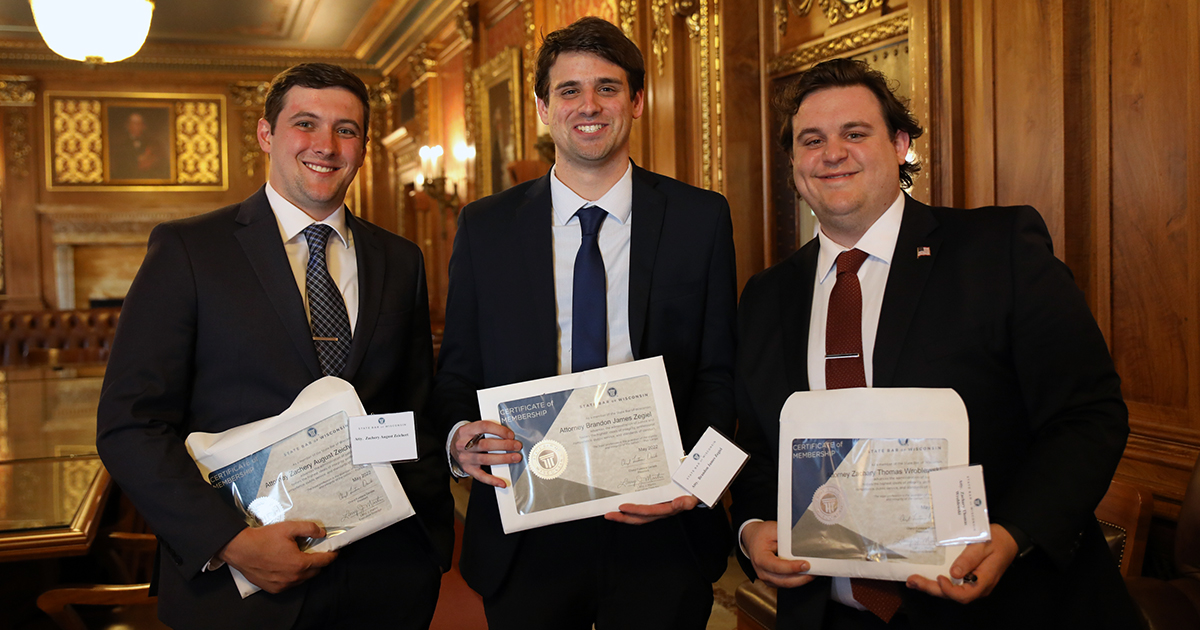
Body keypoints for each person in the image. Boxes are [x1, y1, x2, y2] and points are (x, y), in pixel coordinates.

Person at [731, 57, 1141, 628]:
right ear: (795, 162)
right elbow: (755, 447)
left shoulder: (999, 252)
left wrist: (1014, 534)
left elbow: (1088, 414)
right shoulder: (764, 297)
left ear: (900, 145)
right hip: (830, 614)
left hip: (1005, 607)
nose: (832, 153)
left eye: (855, 133)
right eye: (811, 139)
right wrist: (751, 529)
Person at [96, 63, 452, 630]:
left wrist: (428, 538)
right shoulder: (189, 250)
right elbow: (130, 423)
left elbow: (411, 410)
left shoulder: (400, 259)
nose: (325, 146)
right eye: (305, 123)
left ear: (362, 145)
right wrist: (230, 542)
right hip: (243, 585)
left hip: (384, 574)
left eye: (346, 129)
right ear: (266, 134)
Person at [427, 16, 737, 630]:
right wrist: (458, 439)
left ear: (637, 101)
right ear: (543, 107)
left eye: (608, 87)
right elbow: (457, 369)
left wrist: (695, 484)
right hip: (527, 524)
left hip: (661, 526)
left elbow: (721, 374)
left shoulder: (701, 219)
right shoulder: (484, 227)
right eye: (569, 91)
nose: (588, 106)